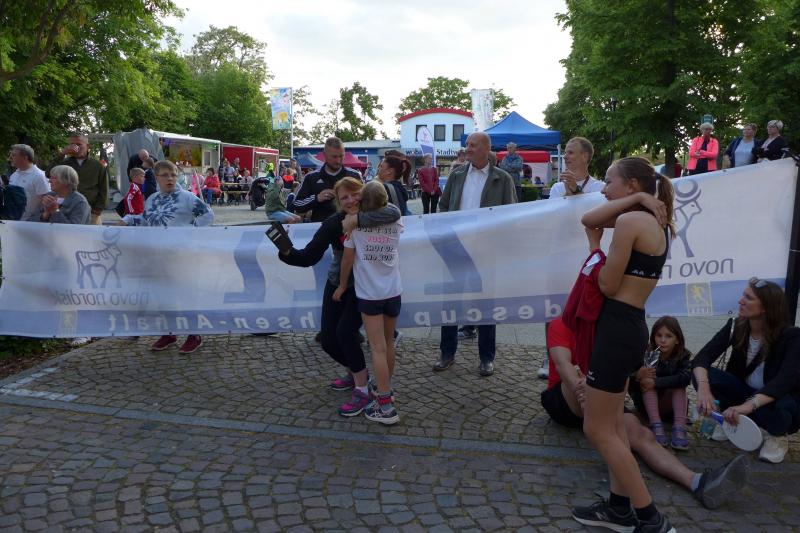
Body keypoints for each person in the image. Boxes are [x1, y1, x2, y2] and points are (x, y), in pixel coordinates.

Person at [542, 317, 750, 511]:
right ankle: (620, 481)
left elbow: (622, 373)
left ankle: (697, 482)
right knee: (579, 378)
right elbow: (562, 364)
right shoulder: (562, 323)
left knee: (642, 434)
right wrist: (583, 392)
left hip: (601, 399)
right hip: (565, 397)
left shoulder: (609, 328)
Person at [573, 156, 676, 533]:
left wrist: (595, 250)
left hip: (617, 329)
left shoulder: (632, 222)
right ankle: (618, 509)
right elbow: (590, 218)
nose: (603, 189)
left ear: (631, 184)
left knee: (597, 429)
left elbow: (606, 285)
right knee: (614, 426)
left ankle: (651, 518)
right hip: (630, 327)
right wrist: (641, 199)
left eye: (609, 181)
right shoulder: (652, 220)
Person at [267, 177, 401, 417]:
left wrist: (358, 219)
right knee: (328, 340)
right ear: (338, 202)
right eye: (343, 198)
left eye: (354, 194)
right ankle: (357, 372)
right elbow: (308, 257)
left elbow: (394, 211)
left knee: (345, 333)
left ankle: (363, 389)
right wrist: (286, 250)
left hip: (364, 288)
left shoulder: (378, 213)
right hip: (337, 283)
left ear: (363, 193)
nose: (350, 200)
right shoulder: (333, 223)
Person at [433, 132, 517, 377]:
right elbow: (443, 206)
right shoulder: (457, 175)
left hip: (485, 252)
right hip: (456, 249)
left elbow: (511, 214)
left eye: (472, 145)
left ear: (485, 148)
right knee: (450, 303)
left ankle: (486, 357)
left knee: (485, 304)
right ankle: (447, 353)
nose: (467, 149)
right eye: (467, 145)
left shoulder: (502, 178)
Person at [692, 278, 800, 464]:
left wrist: (747, 406)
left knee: (784, 408)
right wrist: (704, 391)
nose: (740, 301)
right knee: (703, 375)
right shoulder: (736, 326)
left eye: (748, 298)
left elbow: (784, 381)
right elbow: (702, 358)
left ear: (765, 307)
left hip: (771, 400)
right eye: (743, 295)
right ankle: (729, 421)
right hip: (743, 393)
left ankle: (776, 435)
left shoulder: (791, 336)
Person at [121, 160, 214, 354]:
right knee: (163, 295)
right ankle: (169, 333)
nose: (170, 179)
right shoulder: (152, 199)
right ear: (156, 178)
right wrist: (128, 220)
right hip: (158, 256)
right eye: (165, 175)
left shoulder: (187, 198)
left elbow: (208, 215)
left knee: (185, 295)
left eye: (173, 175)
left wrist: (189, 234)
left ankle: (194, 335)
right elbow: (146, 221)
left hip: (182, 256)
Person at [335, 181, 403, 425]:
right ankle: (386, 389)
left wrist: (342, 285)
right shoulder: (396, 222)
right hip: (393, 291)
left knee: (377, 349)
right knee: (388, 343)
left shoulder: (355, 228)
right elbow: (392, 211)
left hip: (370, 295)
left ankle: (385, 406)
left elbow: (347, 261)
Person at [629, 317, 692, 449]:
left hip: (670, 407)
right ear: (653, 337)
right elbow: (627, 381)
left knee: (679, 385)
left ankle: (679, 426)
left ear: (677, 339)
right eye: (659, 335)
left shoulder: (683, 355)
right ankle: (656, 425)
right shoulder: (645, 353)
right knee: (646, 382)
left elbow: (686, 378)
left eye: (668, 336)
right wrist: (637, 375)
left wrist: (656, 383)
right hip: (647, 406)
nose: (663, 340)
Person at [294, 137, 362, 223]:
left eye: (341, 156)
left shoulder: (354, 175)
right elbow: (297, 204)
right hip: (320, 227)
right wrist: (317, 198)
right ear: (325, 155)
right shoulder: (311, 177)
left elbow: (365, 202)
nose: (338, 160)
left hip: (349, 227)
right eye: (334, 157)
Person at [48, 133, 109, 225]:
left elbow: (104, 190)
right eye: (72, 144)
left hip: (91, 212)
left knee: (90, 234)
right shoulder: (65, 163)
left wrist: (97, 210)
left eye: (79, 144)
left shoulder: (97, 166)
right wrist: (62, 154)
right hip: (67, 210)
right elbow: (48, 173)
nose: (75, 147)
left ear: (88, 146)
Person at [26, 165, 91, 224]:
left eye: (54, 178)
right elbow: (30, 221)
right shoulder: (49, 196)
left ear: (66, 181)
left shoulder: (80, 202)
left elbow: (74, 229)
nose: (49, 181)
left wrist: (55, 211)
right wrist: (45, 215)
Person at [8, 144, 49, 221]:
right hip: (12, 221)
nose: (10, 158)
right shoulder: (14, 175)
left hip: (30, 223)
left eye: (13, 155)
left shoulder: (39, 176)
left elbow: (46, 202)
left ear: (25, 157)